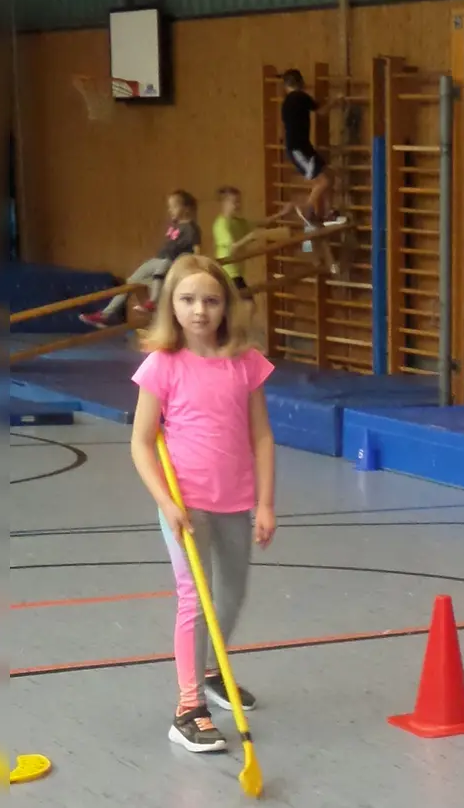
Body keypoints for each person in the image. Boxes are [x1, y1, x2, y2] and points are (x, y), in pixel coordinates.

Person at [128, 254, 277, 754]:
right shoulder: (161, 366)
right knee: (196, 598)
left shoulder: (245, 362)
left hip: (235, 501)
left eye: (211, 301)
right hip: (185, 506)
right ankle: (188, 709)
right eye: (188, 300)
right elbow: (142, 443)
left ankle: (213, 670)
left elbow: (261, 437)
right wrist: (165, 502)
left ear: (225, 307)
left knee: (231, 596)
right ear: (171, 304)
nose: (199, 310)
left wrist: (266, 503)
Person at [81, 190, 201, 328]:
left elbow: (196, 251)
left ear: (185, 208)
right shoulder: (175, 225)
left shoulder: (191, 229)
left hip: (169, 265)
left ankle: (153, 303)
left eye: (174, 206)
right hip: (157, 261)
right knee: (130, 284)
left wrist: (194, 269)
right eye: (169, 207)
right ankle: (105, 315)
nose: (170, 210)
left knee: (162, 275)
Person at [279, 68, 349, 228]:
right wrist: (336, 100)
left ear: (286, 86)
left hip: (304, 147)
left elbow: (284, 128)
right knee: (323, 181)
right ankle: (307, 209)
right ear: (301, 83)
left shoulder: (286, 104)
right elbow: (322, 111)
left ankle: (329, 213)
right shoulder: (300, 97)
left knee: (329, 175)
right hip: (299, 150)